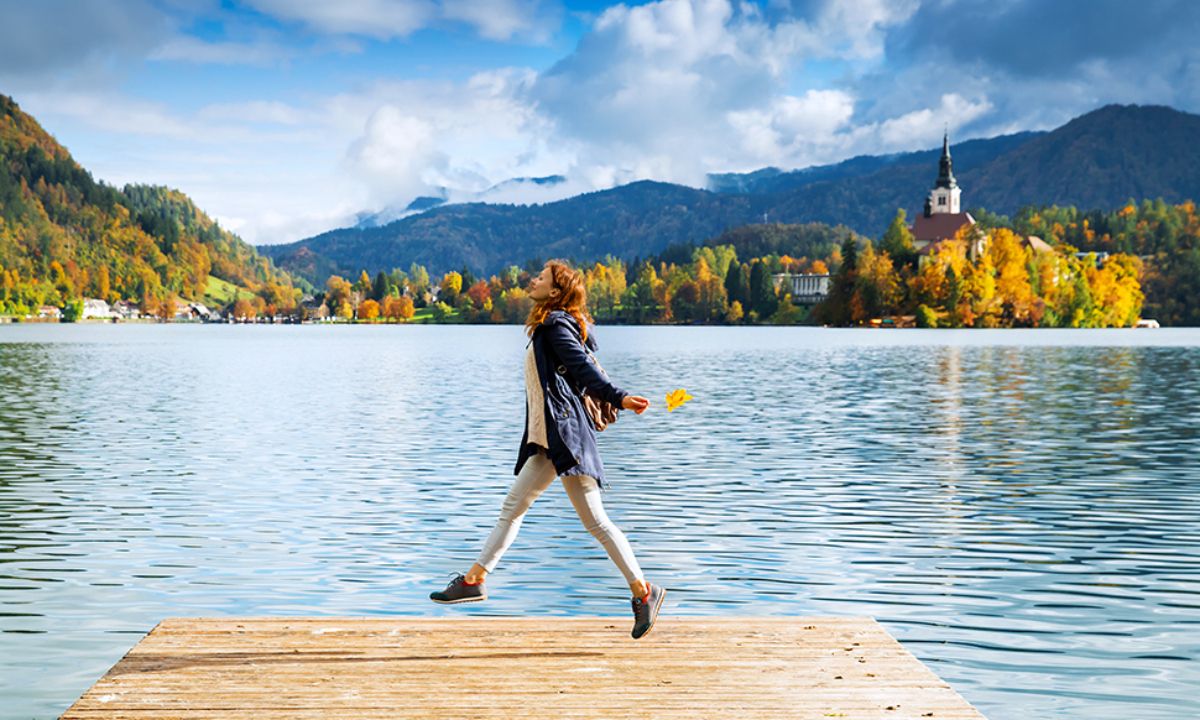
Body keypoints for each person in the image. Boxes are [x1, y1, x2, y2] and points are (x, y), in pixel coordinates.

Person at [430, 259, 666, 639]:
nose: (533, 279)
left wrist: (620, 399)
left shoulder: (555, 325)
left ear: (556, 292)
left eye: (541, 277)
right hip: (549, 442)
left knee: (596, 522)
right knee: (515, 507)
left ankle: (644, 591)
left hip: (566, 440)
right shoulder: (550, 325)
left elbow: (584, 371)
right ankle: (474, 580)